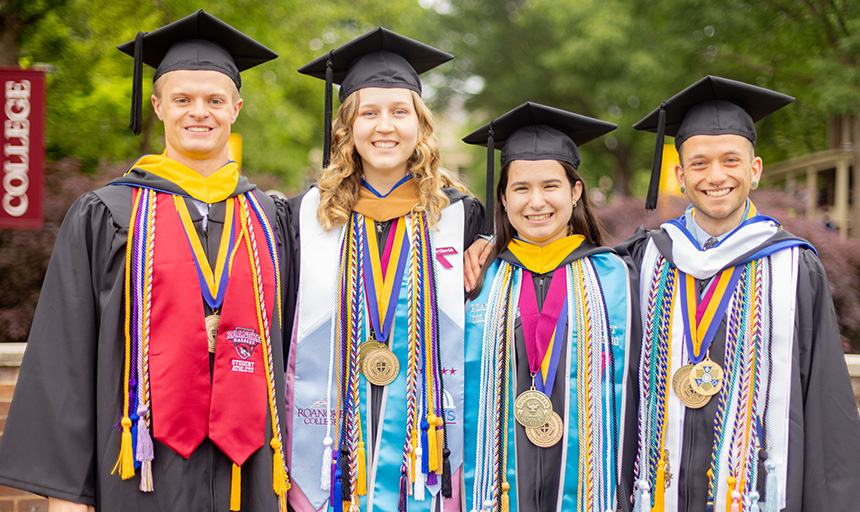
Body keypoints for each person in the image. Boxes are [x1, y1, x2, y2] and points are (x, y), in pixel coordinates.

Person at [0, 10, 291, 511]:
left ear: (236, 108)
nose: (199, 112)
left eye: (214, 100)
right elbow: (66, 353)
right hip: (141, 468)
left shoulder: (270, 218)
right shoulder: (108, 213)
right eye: (183, 99)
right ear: (157, 106)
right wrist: (69, 497)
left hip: (249, 471)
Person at [618, 75, 860, 511]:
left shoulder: (793, 267)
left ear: (755, 169)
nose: (716, 176)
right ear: (679, 175)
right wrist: (488, 247)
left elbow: (824, 398)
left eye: (731, 160)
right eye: (699, 163)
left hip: (758, 493)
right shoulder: (645, 259)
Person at [281, 28, 486, 512]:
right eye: (368, 113)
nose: (384, 126)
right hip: (331, 435)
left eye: (399, 112)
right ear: (347, 126)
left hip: (427, 441)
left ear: (421, 124)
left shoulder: (461, 217)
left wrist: (490, 246)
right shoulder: (303, 216)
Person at [461, 102, 636, 512]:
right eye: (520, 188)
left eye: (551, 186)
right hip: (494, 490)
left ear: (575, 192)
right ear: (502, 198)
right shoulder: (475, 281)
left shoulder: (616, 277)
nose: (536, 201)